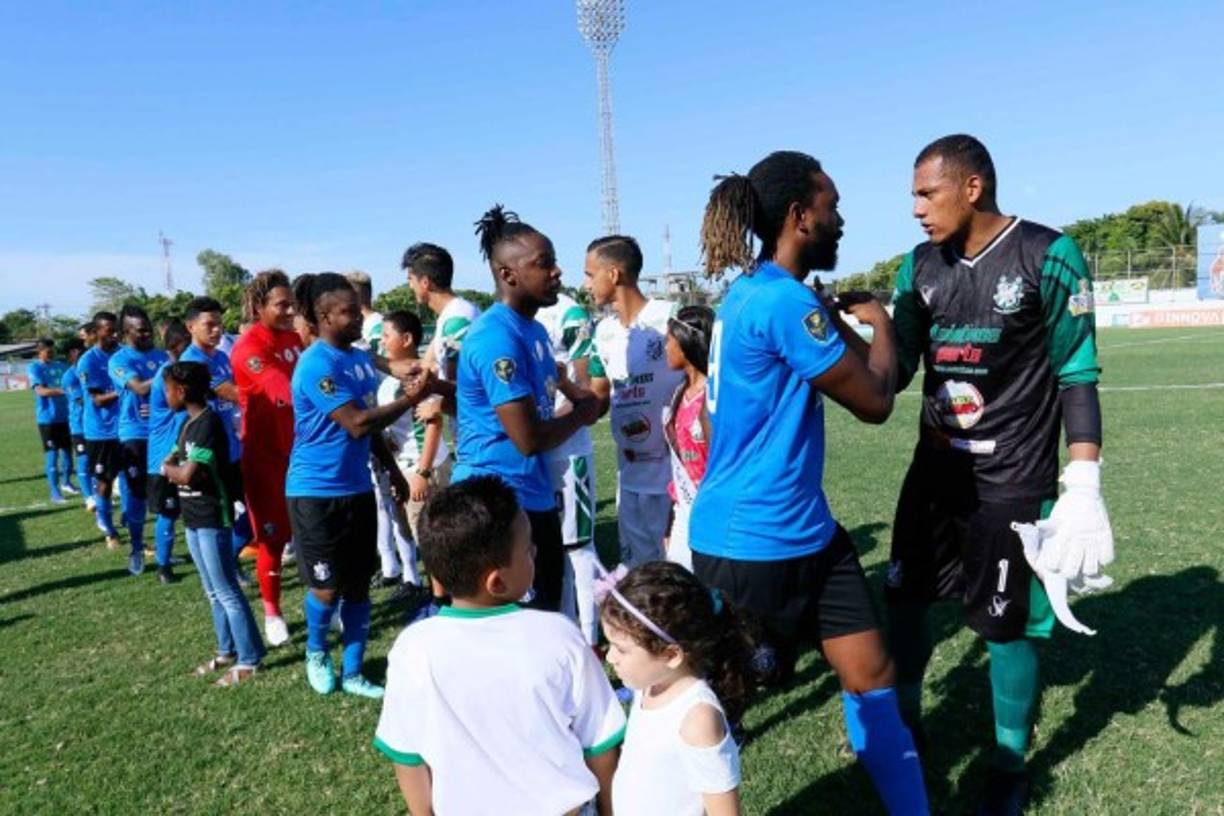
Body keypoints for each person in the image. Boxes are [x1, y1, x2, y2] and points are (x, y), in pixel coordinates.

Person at [694, 150, 927, 814]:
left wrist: (836, 322)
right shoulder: (782, 301)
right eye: (832, 207)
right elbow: (876, 400)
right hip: (750, 544)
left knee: (872, 676)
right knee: (718, 708)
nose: (841, 219)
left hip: (810, 533)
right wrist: (882, 323)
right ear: (800, 216)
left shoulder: (755, 291)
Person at [885, 135, 1111, 815]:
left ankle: (1010, 763)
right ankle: (906, 732)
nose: (917, 209)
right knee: (906, 600)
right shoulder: (918, 266)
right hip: (934, 471)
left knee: (1004, 624)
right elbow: (895, 370)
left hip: (1012, 475)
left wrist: (1084, 483)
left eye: (927, 193)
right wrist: (856, 335)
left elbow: (1076, 373)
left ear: (972, 187)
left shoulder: (1048, 254)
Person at [373, 476, 626, 816]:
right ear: (496, 581)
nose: (535, 551)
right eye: (528, 549)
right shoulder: (559, 636)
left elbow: (408, 757)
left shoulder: (412, 648)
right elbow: (601, 746)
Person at [287, 272, 434, 698]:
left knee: (357, 586)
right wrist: (409, 400)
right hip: (315, 492)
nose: (358, 319)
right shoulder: (316, 364)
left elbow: (371, 431)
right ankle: (317, 651)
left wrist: (392, 471)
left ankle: (353, 672)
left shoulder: (357, 359)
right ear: (324, 317)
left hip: (357, 488)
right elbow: (356, 423)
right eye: (348, 312)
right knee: (326, 587)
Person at [451, 205, 601, 612]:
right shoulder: (496, 337)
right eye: (544, 263)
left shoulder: (533, 330)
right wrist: (582, 413)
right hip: (495, 501)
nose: (557, 272)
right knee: (516, 621)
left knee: (545, 607)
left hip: (531, 493)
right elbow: (529, 438)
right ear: (508, 274)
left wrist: (577, 395)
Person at [601, 561, 750, 816]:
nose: (609, 657)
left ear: (671, 655)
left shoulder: (697, 719)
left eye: (621, 650)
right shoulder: (649, 685)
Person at [161, 361, 265, 687]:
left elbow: (185, 473)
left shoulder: (208, 424)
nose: (165, 395)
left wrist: (169, 471)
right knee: (211, 591)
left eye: (167, 389)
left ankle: (250, 658)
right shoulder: (187, 423)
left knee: (227, 590)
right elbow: (174, 458)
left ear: (182, 391)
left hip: (211, 517)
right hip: (192, 518)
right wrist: (173, 468)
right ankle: (226, 651)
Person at [583, 235, 684, 567]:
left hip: (674, 476)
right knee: (639, 576)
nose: (586, 285)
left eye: (590, 275)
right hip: (629, 476)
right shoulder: (603, 333)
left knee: (680, 576)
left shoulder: (670, 317)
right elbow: (598, 397)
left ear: (613, 274)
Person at [231, 270, 303, 646]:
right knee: (272, 540)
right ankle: (273, 611)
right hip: (265, 458)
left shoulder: (294, 338)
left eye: (293, 304)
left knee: (310, 533)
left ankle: (325, 604)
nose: (291, 311)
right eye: (282, 305)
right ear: (259, 307)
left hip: (300, 452)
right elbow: (284, 391)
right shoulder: (248, 348)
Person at [536, 290, 601, 644]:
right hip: (533, 453)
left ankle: (590, 639)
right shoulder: (512, 317)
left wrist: (547, 428)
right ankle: (565, 631)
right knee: (550, 547)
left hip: (568, 451)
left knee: (578, 546)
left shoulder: (569, 313)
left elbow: (585, 389)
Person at [376, 310, 451, 587]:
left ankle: (442, 599)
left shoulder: (418, 374)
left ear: (406, 339)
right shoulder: (388, 381)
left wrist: (423, 472)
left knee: (433, 542)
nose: (381, 342)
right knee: (425, 539)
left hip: (421, 469)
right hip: (404, 469)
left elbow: (433, 423)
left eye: (387, 335)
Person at [181, 298, 253, 568]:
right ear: (191, 327)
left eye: (219, 324)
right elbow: (232, 393)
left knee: (250, 517)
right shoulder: (192, 363)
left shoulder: (221, 357)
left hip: (233, 448)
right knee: (224, 522)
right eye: (209, 325)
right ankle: (223, 572)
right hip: (209, 453)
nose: (216, 330)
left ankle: (228, 564)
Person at [109, 304, 169, 575]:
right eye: (140, 331)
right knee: (137, 495)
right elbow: (140, 388)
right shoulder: (119, 360)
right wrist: (170, 367)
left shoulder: (160, 355)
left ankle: (164, 554)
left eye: (148, 329)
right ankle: (136, 547)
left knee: (166, 494)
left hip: (162, 433)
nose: (147, 334)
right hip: (134, 435)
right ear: (125, 333)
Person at [661, 305, 715, 571]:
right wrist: (670, 522)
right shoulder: (678, 393)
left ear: (685, 343)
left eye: (668, 340)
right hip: (684, 508)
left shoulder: (715, 395)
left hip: (713, 509)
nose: (664, 347)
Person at [146, 320, 191, 584]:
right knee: (169, 512)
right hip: (164, 456)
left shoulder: (183, 370)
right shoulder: (168, 375)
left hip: (186, 450)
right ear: (175, 346)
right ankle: (163, 566)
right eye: (187, 342)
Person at [402, 242, 481, 383]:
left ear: (425, 282)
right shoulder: (450, 315)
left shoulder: (457, 320)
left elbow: (458, 384)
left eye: (410, 279)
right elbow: (424, 366)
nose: (410, 286)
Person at [78, 311, 123, 550]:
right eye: (109, 331)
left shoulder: (122, 354)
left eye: (117, 330)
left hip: (126, 429)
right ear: (96, 332)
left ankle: (133, 527)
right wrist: (127, 389)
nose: (115, 335)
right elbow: (97, 400)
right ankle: (109, 530)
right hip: (101, 432)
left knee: (131, 480)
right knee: (105, 482)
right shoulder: (88, 361)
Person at [27, 338, 75, 503]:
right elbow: (41, 391)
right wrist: (65, 391)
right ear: (39, 351)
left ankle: (67, 483)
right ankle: (55, 492)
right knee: (52, 455)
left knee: (68, 453)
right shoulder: (34, 367)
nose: (51, 353)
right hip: (47, 419)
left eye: (52, 350)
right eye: (48, 351)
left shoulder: (61, 366)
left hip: (66, 416)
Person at [61, 337, 94, 510]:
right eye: (77, 350)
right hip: (79, 426)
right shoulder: (69, 376)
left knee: (96, 462)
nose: (81, 352)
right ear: (70, 355)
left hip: (95, 425)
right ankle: (89, 497)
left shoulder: (90, 369)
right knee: (84, 461)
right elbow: (82, 400)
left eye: (82, 348)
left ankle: (97, 493)